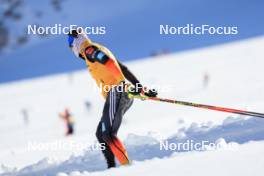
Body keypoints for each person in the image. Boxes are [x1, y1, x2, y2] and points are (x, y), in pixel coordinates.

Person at [67, 28, 157, 168]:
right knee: (101, 134)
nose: (70, 46)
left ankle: (128, 168)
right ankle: (111, 168)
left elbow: (109, 62)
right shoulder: (97, 49)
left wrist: (121, 83)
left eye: (70, 42)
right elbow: (123, 68)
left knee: (108, 134)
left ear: (77, 41)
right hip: (119, 93)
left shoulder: (89, 50)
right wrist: (139, 87)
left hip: (117, 92)